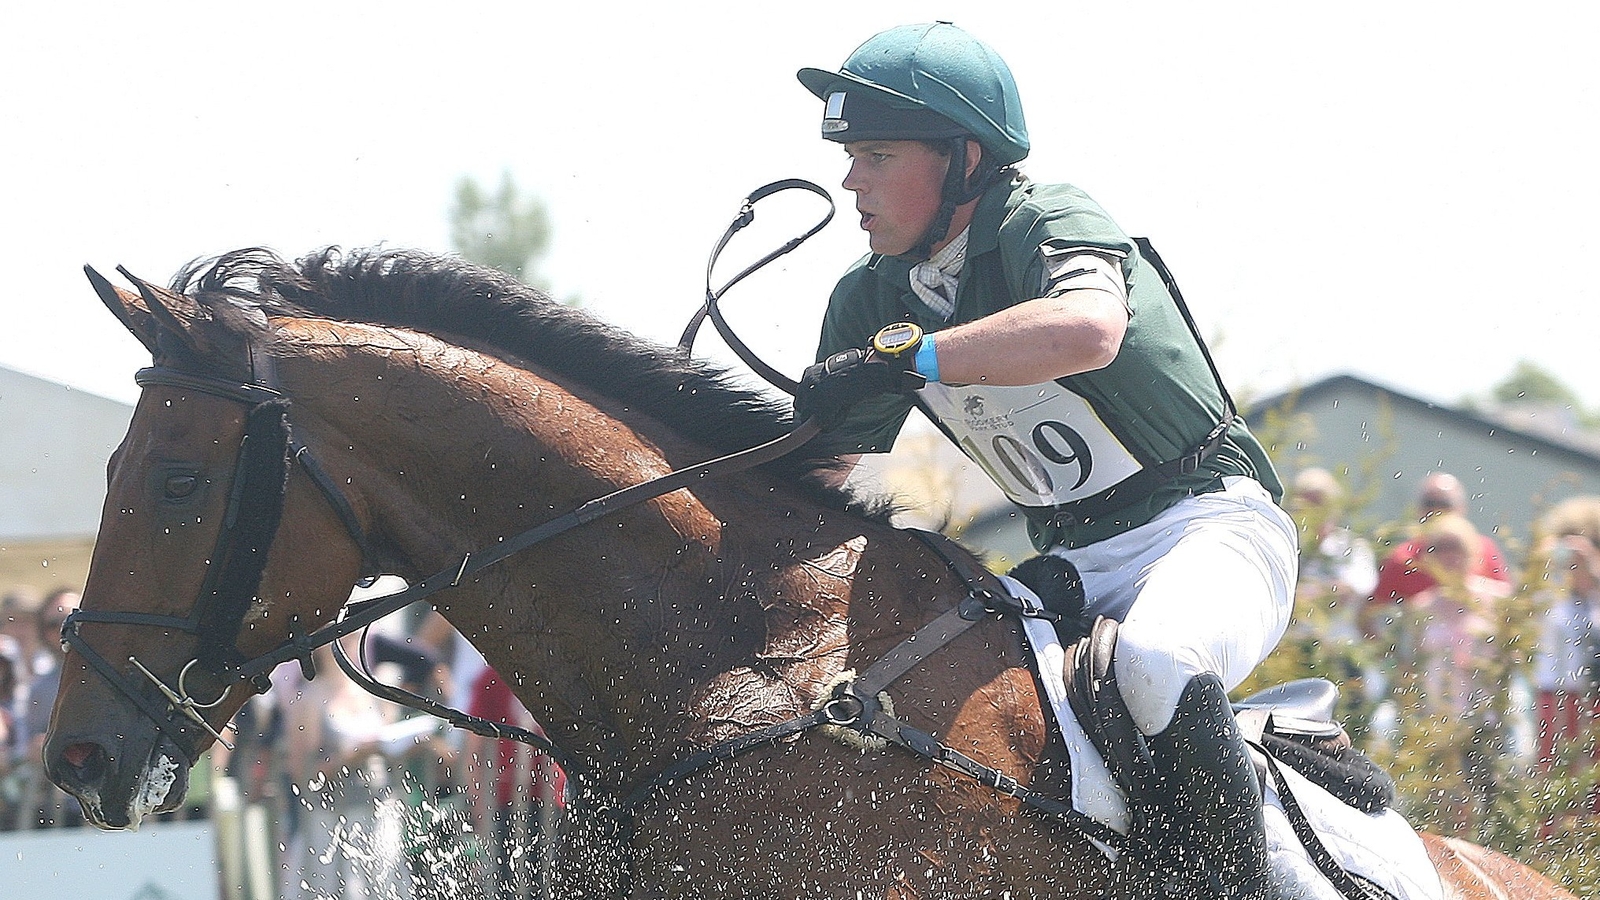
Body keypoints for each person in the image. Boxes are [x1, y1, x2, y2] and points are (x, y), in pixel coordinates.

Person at [792, 22, 1295, 899]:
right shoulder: (868, 295)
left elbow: (1089, 331)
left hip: (1208, 523)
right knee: (909, 685)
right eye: (849, 157)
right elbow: (832, 485)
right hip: (1069, 559)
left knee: (1155, 662)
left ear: (963, 159)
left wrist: (909, 358)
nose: (850, 182)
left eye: (876, 155)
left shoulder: (1047, 218)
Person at [1531, 496, 1600, 820]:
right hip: (1552, 696)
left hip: (1591, 698)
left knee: (1591, 782)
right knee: (1552, 774)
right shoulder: (1549, 592)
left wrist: (1592, 578)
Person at [1370, 472, 1510, 612]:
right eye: (1429, 503)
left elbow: (1508, 604)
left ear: (1462, 509)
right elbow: (1370, 613)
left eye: (1444, 503)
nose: (1436, 510)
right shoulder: (1402, 558)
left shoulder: (1484, 549)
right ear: (1418, 510)